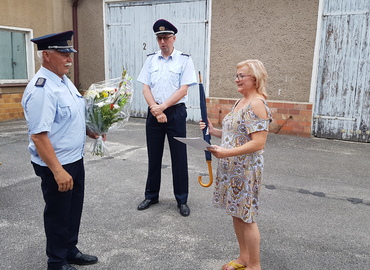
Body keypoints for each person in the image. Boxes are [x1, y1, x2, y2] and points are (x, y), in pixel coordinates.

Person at [22, 31, 99, 270]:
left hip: (74, 159)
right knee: (57, 213)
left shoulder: (64, 82)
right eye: (63, 53)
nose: (69, 58)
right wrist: (57, 171)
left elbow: (69, 117)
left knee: (72, 210)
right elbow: (39, 135)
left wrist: (91, 130)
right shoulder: (42, 89)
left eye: (69, 53)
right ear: (46, 56)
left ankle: (69, 249)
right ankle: (56, 261)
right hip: (57, 164)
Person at [200, 60, 272, 270]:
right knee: (236, 212)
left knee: (247, 217)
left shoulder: (257, 103)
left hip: (246, 170)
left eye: (242, 76)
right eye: (237, 75)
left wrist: (226, 152)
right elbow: (237, 133)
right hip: (231, 168)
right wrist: (214, 132)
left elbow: (259, 142)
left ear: (255, 79)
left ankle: (255, 266)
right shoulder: (241, 101)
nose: (237, 79)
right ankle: (243, 258)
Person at [137, 19, 197, 217]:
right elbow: (145, 87)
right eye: (159, 38)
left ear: (174, 38)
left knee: (179, 157)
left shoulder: (185, 60)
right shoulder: (151, 60)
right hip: (154, 112)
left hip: (175, 113)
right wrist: (155, 108)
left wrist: (162, 107)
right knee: (154, 156)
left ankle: (182, 199)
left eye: (166, 38)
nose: (162, 41)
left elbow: (183, 89)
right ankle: (151, 195)